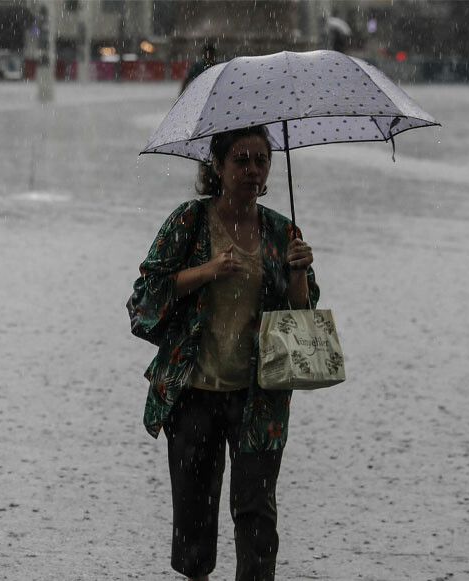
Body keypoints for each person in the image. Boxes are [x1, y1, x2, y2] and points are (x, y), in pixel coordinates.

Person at [126, 125, 319, 581]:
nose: (253, 170)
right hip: (193, 392)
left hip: (259, 397)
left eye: (261, 160)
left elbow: (300, 317)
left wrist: (298, 272)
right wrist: (207, 270)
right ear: (216, 165)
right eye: (241, 160)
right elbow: (145, 296)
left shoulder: (281, 230)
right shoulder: (189, 222)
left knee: (256, 516)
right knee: (194, 518)